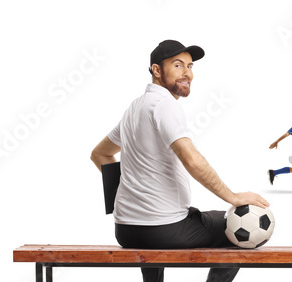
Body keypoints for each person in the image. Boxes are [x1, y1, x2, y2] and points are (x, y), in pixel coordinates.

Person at [90, 40, 269, 282]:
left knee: (176, 219)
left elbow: (100, 154)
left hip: (126, 231)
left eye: (190, 66)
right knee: (236, 228)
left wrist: (130, 194)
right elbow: (193, 160)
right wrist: (234, 197)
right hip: (163, 230)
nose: (187, 73)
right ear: (156, 70)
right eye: (177, 65)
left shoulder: (135, 107)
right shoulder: (164, 105)